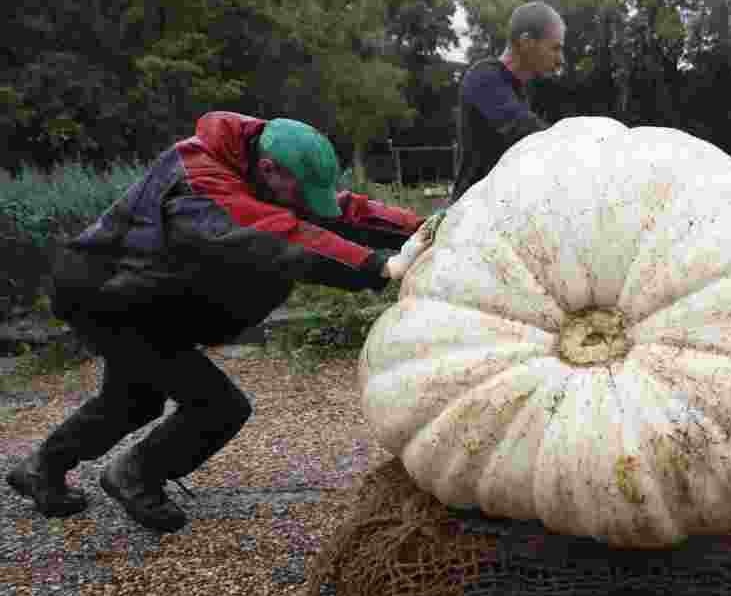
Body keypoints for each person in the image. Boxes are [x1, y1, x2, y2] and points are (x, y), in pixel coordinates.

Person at [5, 112, 432, 533]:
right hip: (106, 297)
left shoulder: (257, 172)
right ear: (268, 168)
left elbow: (339, 210)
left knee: (133, 400)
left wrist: (422, 229)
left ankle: (40, 468)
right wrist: (380, 266)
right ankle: (134, 473)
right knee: (217, 406)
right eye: (301, 193)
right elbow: (279, 240)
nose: (306, 203)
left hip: (141, 301)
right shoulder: (200, 185)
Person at [449, 1, 565, 203]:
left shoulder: (519, 90)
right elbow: (525, 131)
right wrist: (578, 145)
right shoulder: (484, 77)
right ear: (527, 42)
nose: (560, 59)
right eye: (555, 48)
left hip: (496, 215)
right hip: (467, 219)